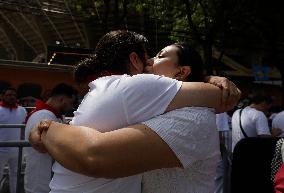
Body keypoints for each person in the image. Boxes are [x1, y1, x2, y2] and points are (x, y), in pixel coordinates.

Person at [30, 30, 241, 193]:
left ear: (182, 71)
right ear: (134, 60)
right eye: (149, 56)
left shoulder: (192, 117)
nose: (150, 61)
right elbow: (217, 97)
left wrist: (48, 128)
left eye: (159, 56)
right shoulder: (139, 93)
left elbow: (94, 154)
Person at [24, 83, 77, 193]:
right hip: (42, 177)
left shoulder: (51, 114)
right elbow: (42, 146)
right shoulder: (45, 115)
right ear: (62, 99)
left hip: (44, 174)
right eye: (70, 102)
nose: (71, 107)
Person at [0, 87, 27, 193]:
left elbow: (24, 128)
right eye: (9, 95)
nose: (12, 97)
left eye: (14, 95)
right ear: (2, 96)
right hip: (1, 149)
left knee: (16, 175)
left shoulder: (22, 110)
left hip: (17, 149)